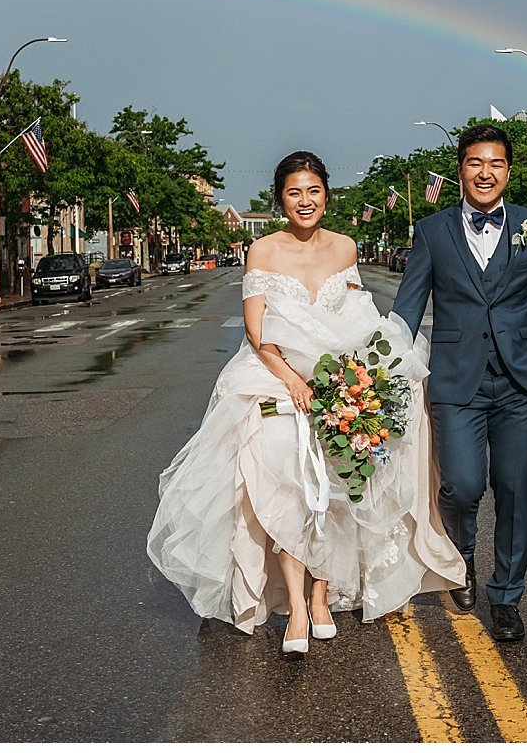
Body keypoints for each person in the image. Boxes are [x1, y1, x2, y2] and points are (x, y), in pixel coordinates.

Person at [147, 151, 463, 655]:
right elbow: (256, 333)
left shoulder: (345, 248)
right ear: (280, 201)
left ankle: (321, 596)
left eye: (313, 191)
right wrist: (294, 381)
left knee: (339, 485)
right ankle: (294, 603)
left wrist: (363, 377)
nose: (305, 201)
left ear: (326, 196)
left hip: (339, 381)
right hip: (275, 380)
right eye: (294, 193)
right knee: (286, 483)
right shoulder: (263, 252)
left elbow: (361, 318)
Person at [392, 124, 527, 642]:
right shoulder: (431, 231)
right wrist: (379, 363)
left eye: (495, 163)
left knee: (516, 490)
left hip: (521, 382)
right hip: (456, 382)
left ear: (508, 171)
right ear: (460, 171)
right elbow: (408, 307)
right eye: (475, 162)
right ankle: (461, 558)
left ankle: (507, 597)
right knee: (462, 484)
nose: (485, 172)